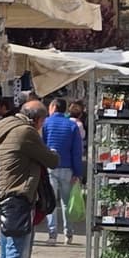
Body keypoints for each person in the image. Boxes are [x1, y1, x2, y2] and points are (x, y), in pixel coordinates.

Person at [0, 100, 57, 258]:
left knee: (7, 252)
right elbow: (52, 160)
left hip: (5, 196)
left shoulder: (6, 126)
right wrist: (49, 153)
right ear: (38, 120)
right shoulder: (26, 132)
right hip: (19, 198)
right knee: (16, 254)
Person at [41, 97, 82, 244]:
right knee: (66, 202)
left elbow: (41, 146)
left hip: (50, 168)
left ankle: (52, 235)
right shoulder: (72, 126)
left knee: (50, 202)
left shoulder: (45, 123)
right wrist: (77, 172)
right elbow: (77, 151)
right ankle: (68, 234)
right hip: (68, 168)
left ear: (53, 107)